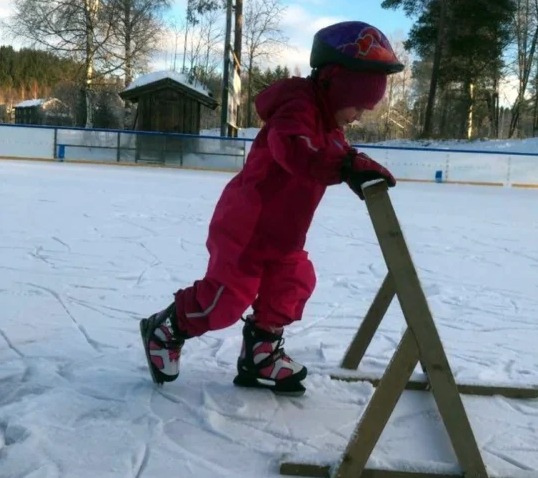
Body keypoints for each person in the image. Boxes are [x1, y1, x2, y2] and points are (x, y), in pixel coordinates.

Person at [140, 21, 403, 395]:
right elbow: (295, 150)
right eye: (359, 103)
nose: (360, 114)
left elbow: (330, 152)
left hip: (283, 234)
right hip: (246, 226)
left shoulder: (331, 125)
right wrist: (346, 166)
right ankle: (165, 329)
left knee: (292, 285)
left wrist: (352, 164)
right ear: (336, 83)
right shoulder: (295, 110)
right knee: (226, 300)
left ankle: (260, 356)